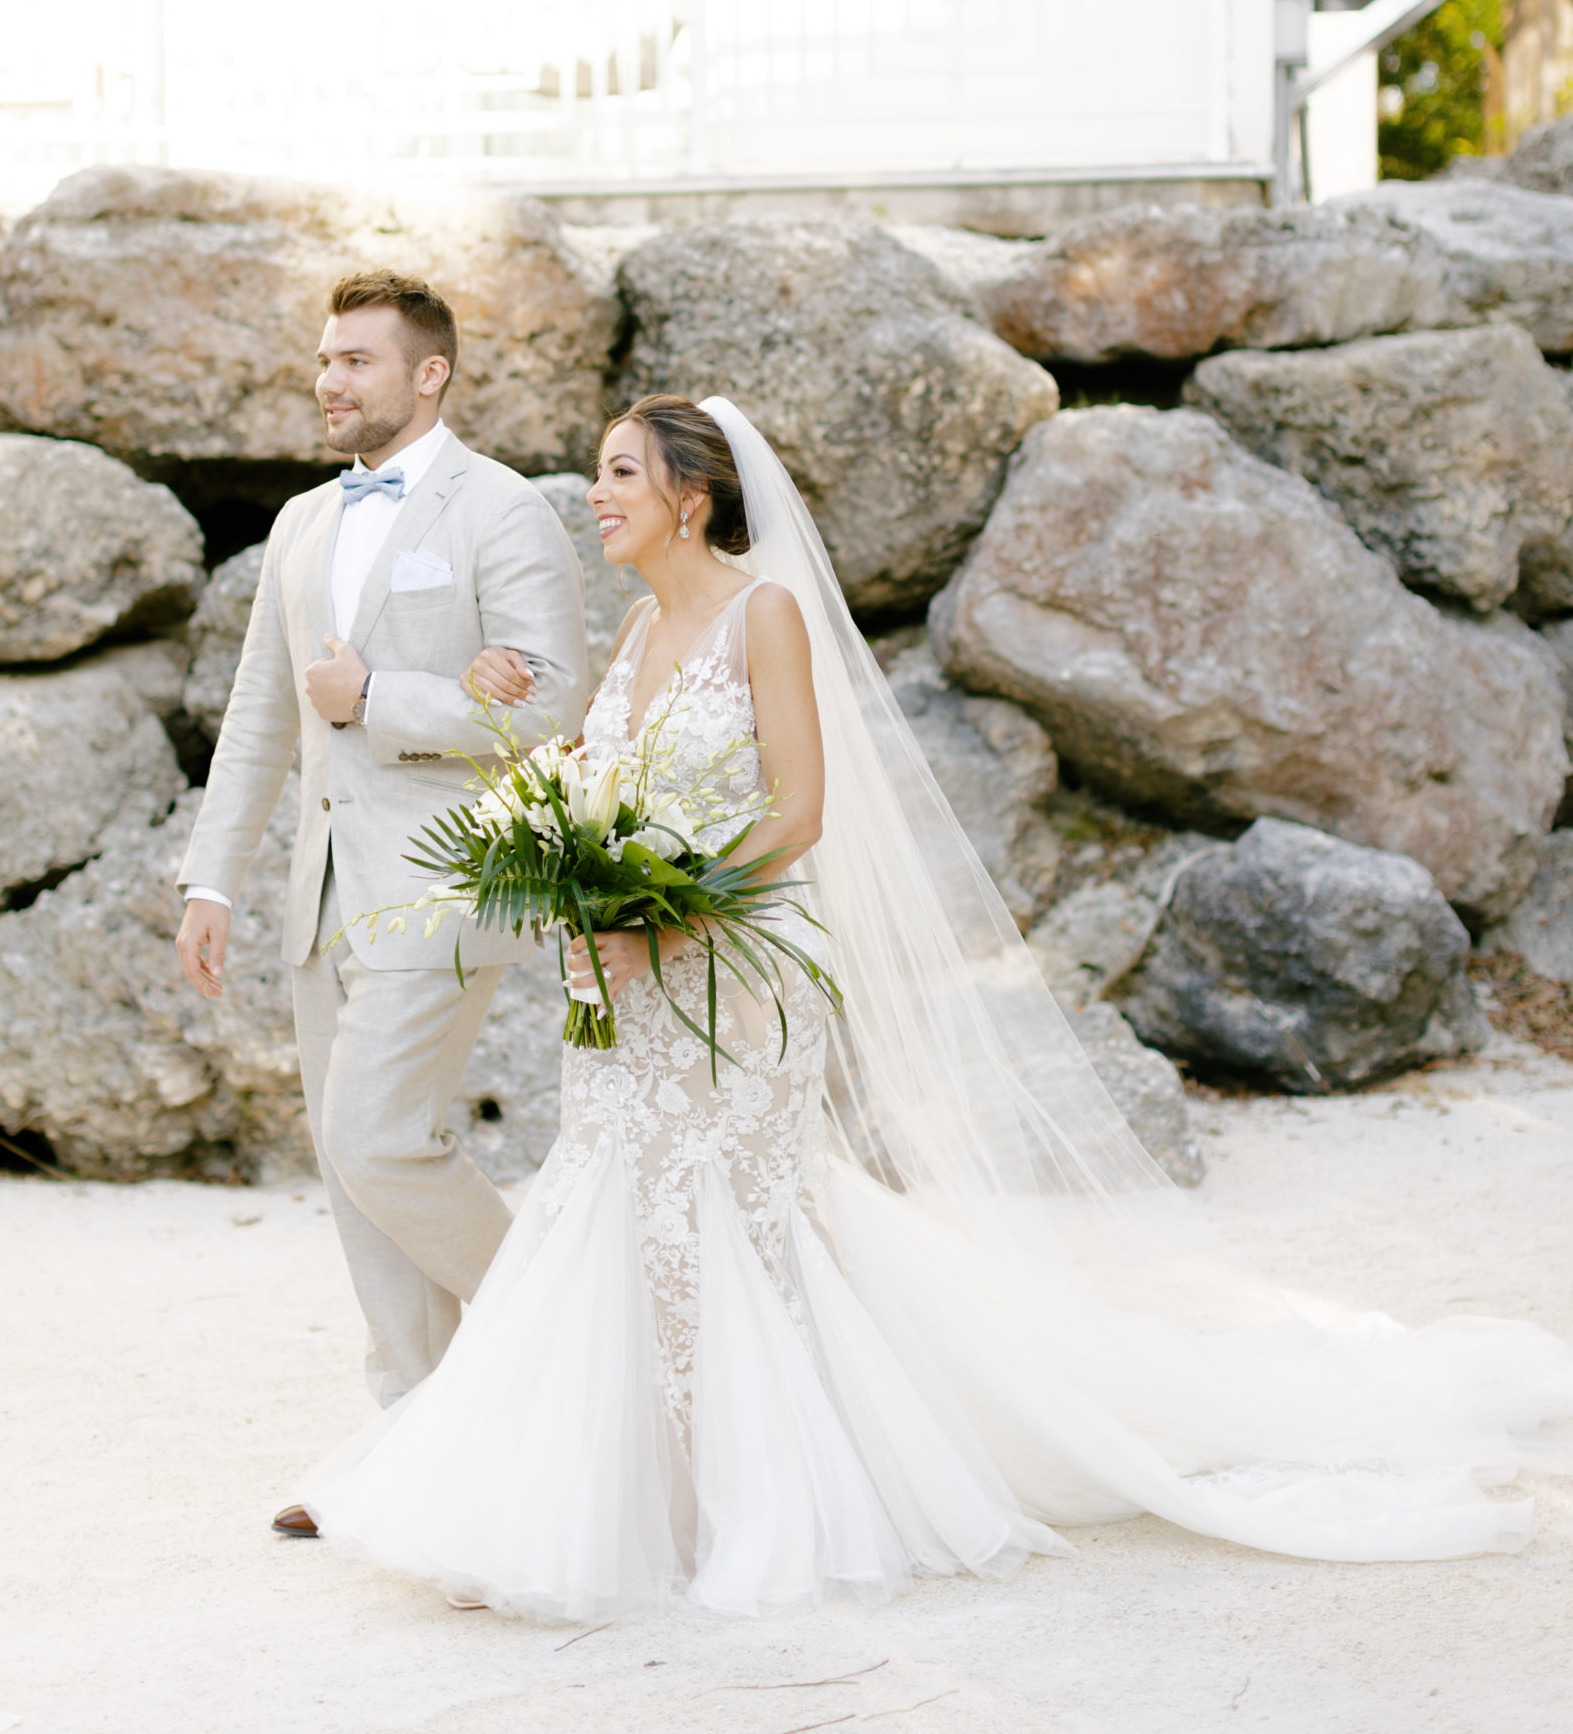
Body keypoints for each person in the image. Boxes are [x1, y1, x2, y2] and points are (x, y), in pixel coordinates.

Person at [298, 393, 1573, 1619]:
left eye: (621, 471)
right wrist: (582, 897)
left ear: (691, 498)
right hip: (627, 980)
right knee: (611, 1207)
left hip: (740, 969)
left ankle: (742, 1501)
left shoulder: (767, 618)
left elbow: (797, 812)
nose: (596, 490)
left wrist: (664, 917)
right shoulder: (631, 639)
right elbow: (591, 797)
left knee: (733, 1219)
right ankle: (597, 1498)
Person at [174, 269, 587, 1537]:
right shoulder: (303, 521)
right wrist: (212, 875)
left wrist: (383, 701)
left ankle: (561, 1343)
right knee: (354, 1176)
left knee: (377, 1136)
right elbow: (261, 714)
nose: (330, 379)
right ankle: (416, 1438)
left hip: (449, 883)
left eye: (357, 359)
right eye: (324, 357)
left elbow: (550, 705)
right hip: (320, 893)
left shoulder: (505, 513)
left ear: (429, 375)